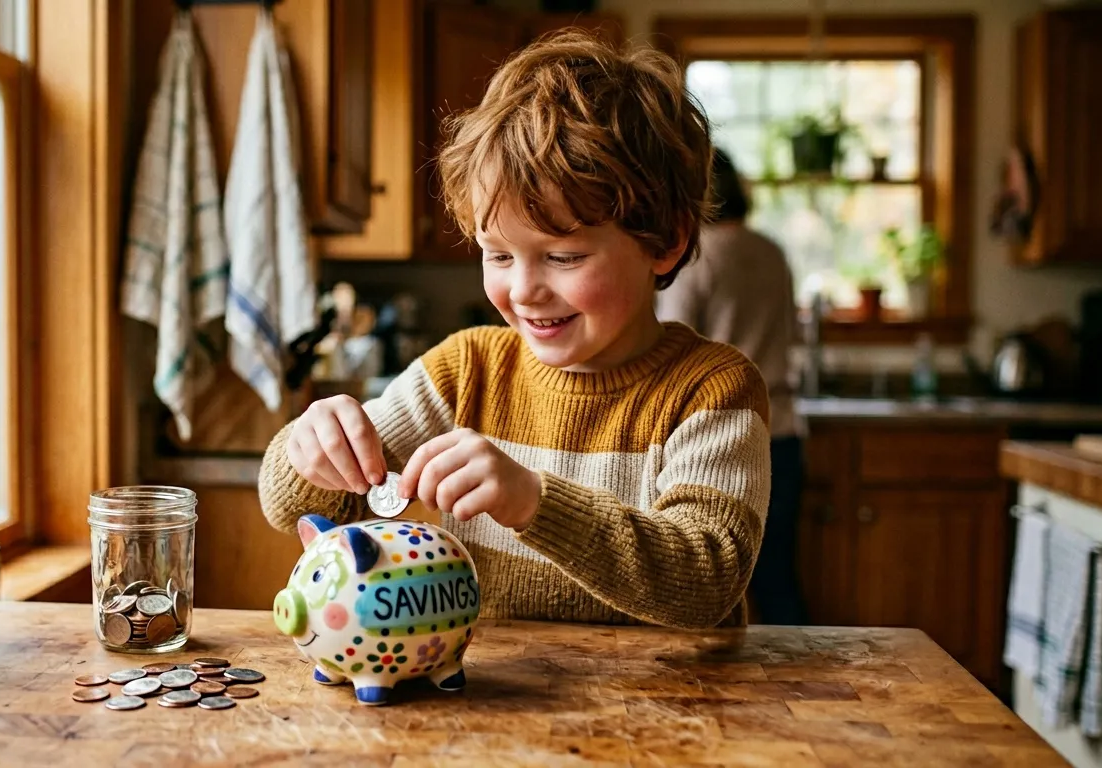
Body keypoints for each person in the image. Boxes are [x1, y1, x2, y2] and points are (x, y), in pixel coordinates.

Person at [258, 30, 771, 630]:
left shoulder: (713, 389)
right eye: (498, 255)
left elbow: (706, 581)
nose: (524, 290)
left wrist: (533, 502)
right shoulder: (464, 371)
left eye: (564, 257)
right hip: (491, 711)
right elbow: (289, 503)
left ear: (666, 241)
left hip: (672, 713)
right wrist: (311, 446)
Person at [655, 150, 807, 626]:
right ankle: (798, 687)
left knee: (714, 584)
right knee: (777, 576)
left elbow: (669, 342)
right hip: (782, 426)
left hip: (721, 430)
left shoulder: (699, 256)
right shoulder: (772, 250)